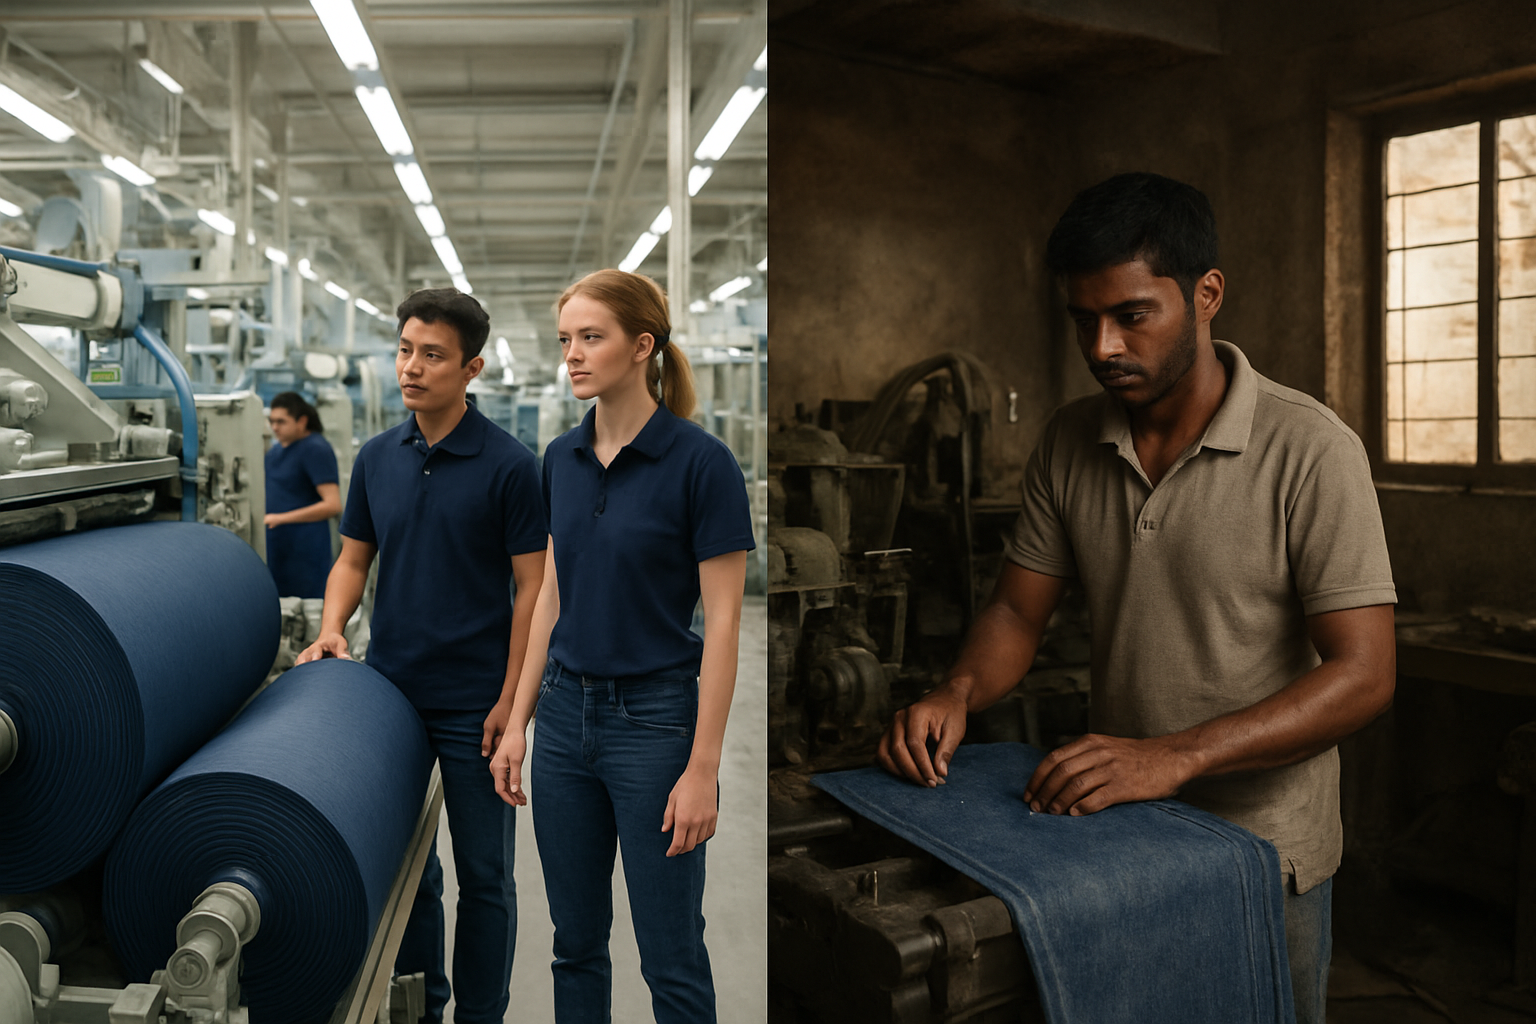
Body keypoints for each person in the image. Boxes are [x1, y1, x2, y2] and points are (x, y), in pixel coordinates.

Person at [875, 172, 1397, 1024]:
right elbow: (1016, 612)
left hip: (1266, 855)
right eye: (1084, 320)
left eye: (1132, 315)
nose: (1103, 346)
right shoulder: (1070, 440)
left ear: (1206, 295)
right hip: (1116, 841)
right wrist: (957, 691)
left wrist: (1174, 756)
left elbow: (1366, 674)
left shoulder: (1311, 451)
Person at [489, 269, 755, 1024]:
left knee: (671, 954)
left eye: (590, 338)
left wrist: (703, 767)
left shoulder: (701, 464)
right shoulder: (559, 461)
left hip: (656, 723)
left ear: (643, 346)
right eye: (565, 339)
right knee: (574, 944)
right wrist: (519, 722)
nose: (571, 355)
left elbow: (725, 623)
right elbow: (549, 596)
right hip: (566, 720)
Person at [296, 287, 547, 1024]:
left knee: (486, 877)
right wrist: (334, 624)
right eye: (405, 350)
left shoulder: (511, 466)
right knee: (413, 873)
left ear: (470, 368)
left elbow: (533, 590)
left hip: (478, 701)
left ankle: (481, 1014)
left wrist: (512, 701)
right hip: (391, 693)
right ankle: (423, 1008)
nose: (411, 367)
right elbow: (352, 561)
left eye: (431, 355)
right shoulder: (376, 457)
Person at [263, 391, 341, 597]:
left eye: (281, 421)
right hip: (279, 547)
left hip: (304, 551)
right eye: (272, 421)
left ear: (302, 421)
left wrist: (281, 518)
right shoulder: (276, 450)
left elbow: (332, 505)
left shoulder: (315, 449)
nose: (274, 427)